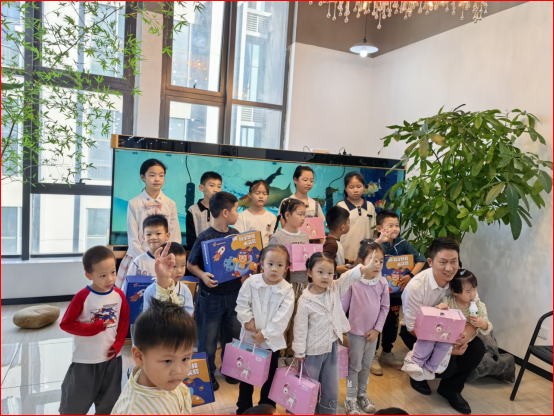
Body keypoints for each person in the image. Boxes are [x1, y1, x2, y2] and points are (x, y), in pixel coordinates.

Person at [400, 237, 485, 415]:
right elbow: (412, 327)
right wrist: (448, 348)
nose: (449, 268)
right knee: (448, 366)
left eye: (454, 261)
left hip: (452, 332)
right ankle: (417, 373)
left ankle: (450, 389)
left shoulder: (461, 279)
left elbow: (475, 306)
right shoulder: (415, 287)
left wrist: (470, 330)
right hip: (419, 333)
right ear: (430, 262)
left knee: (477, 349)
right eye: (443, 262)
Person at [292, 252, 379, 415]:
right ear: (309, 272)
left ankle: (327, 412)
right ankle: (304, 411)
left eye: (330, 273)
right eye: (320, 272)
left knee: (331, 386)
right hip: (311, 353)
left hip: (331, 349)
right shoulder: (305, 301)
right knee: (308, 386)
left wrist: (365, 268)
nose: (325, 277)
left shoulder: (334, 289)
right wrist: (299, 351)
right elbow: (300, 327)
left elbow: (348, 277)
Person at [59, 246, 130, 415]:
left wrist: (118, 344)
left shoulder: (119, 295)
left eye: (113, 272)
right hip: (86, 360)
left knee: (109, 404)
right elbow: (66, 324)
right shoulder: (82, 297)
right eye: (103, 275)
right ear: (89, 276)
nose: (110, 279)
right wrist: (95, 327)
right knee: (75, 404)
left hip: (112, 360)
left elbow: (123, 322)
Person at [187, 192, 242, 391]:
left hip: (234, 295)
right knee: (208, 338)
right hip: (210, 296)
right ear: (225, 212)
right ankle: (207, 372)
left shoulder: (236, 234)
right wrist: (202, 276)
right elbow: (190, 264)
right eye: (236, 209)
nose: (238, 213)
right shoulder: (205, 237)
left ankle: (230, 369)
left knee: (233, 335)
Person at [235, 245, 295, 415]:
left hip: (270, 343)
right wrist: (247, 319)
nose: (274, 269)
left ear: (286, 267)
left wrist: (265, 334)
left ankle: (267, 407)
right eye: (270, 264)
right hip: (249, 338)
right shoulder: (251, 282)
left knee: (270, 377)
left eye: (280, 265)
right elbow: (241, 303)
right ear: (262, 264)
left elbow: (283, 317)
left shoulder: (287, 290)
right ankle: (243, 408)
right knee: (246, 375)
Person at [111, 296, 197, 415]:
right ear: (139, 356)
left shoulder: (165, 380)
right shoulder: (133, 411)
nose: (178, 371)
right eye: (168, 361)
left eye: (185, 359)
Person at [371, 210, 428, 374]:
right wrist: (378, 242)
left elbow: (421, 260)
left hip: (395, 294)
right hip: (376, 293)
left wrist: (410, 276)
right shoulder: (374, 244)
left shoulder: (403, 243)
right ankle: (372, 355)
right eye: (390, 226)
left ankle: (387, 352)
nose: (395, 228)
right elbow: (365, 260)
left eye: (397, 225)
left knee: (392, 323)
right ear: (379, 228)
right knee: (375, 324)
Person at [341, 241, 390, 415]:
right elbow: (343, 306)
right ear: (361, 261)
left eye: (381, 261)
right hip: (355, 333)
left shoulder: (382, 282)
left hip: (373, 335)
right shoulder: (353, 282)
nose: (377, 265)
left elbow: (385, 308)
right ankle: (350, 397)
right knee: (354, 367)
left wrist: (377, 330)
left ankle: (362, 394)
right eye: (373, 260)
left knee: (366, 365)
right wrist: (337, 328)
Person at [116, 159, 181, 288]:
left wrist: (170, 257)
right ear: (143, 177)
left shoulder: (170, 204)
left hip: (164, 259)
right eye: (152, 175)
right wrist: (144, 259)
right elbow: (133, 237)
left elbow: (174, 235)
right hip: (140, 256)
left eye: (161, 175)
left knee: (164, 293)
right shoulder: (134, 203)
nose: (157, 179)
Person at [268, 198, 309, 359]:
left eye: (304, 214)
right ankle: (280, 354)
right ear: (287, 215)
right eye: (300, 214)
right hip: (284, 285)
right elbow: (270, 263)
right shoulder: (278, 237)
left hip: (302, 283)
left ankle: (292, 353)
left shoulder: (305, 236)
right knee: (282, 319)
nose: (303, 218)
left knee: (298, 320)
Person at [336, 171, 376, 269]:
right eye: (351, 187)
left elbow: (375, 231)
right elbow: (334, 231)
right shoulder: (340, 206)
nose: (355, 190)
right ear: (345, 188)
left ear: (364, 187)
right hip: (346, 255)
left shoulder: (370, 206)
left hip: (366, 255)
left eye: (359, 186)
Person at [143, 242, 194, 316]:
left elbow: (189, 312)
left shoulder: (185, 289)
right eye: (174, 266)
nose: (179, 271)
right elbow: (146, 315)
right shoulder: (150, 290)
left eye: (183, 265)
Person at [443, 269, 493, 342]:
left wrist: (482, 323)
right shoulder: (448, 302)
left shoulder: (479, 306)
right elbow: (439, 314)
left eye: (474, 290)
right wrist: (441, 307)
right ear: (454, 291)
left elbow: (488, 327)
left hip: (470, 339)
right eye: (468, 292)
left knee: (478, 345)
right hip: (450, 338)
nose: (472, 294)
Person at [278, 166, 325, 243]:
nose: (309, 183)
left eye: (311, 181)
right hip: (292, 244)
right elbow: (284, 227)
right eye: (305, 180)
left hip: (311, 247)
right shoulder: (286, 202)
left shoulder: (315, 204)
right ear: (295, 180)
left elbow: (320, 232)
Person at [234, 179, 277, 247]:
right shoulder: (241, 216)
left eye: (264, 194)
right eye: (257, 193)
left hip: (267, 253)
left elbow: (273, 241)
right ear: (250, 195)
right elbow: (237, 240)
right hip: (248, 252)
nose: (261, 196)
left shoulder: (272, 217)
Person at [186, 171, 222, 248]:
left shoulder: (222, 210)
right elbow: (190, 239)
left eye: (219, 186)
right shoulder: (192, 210)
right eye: (212, 185)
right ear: (201, 188)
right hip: (198, 252)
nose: (216, 190)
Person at [323, 205, 353, 276]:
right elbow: (324, 263)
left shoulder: (335, 241)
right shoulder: (331, 244)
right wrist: (337, 269)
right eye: (348, 223)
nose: (349, 225)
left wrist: (347, 261)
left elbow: (335, 258)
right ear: (342, 227)